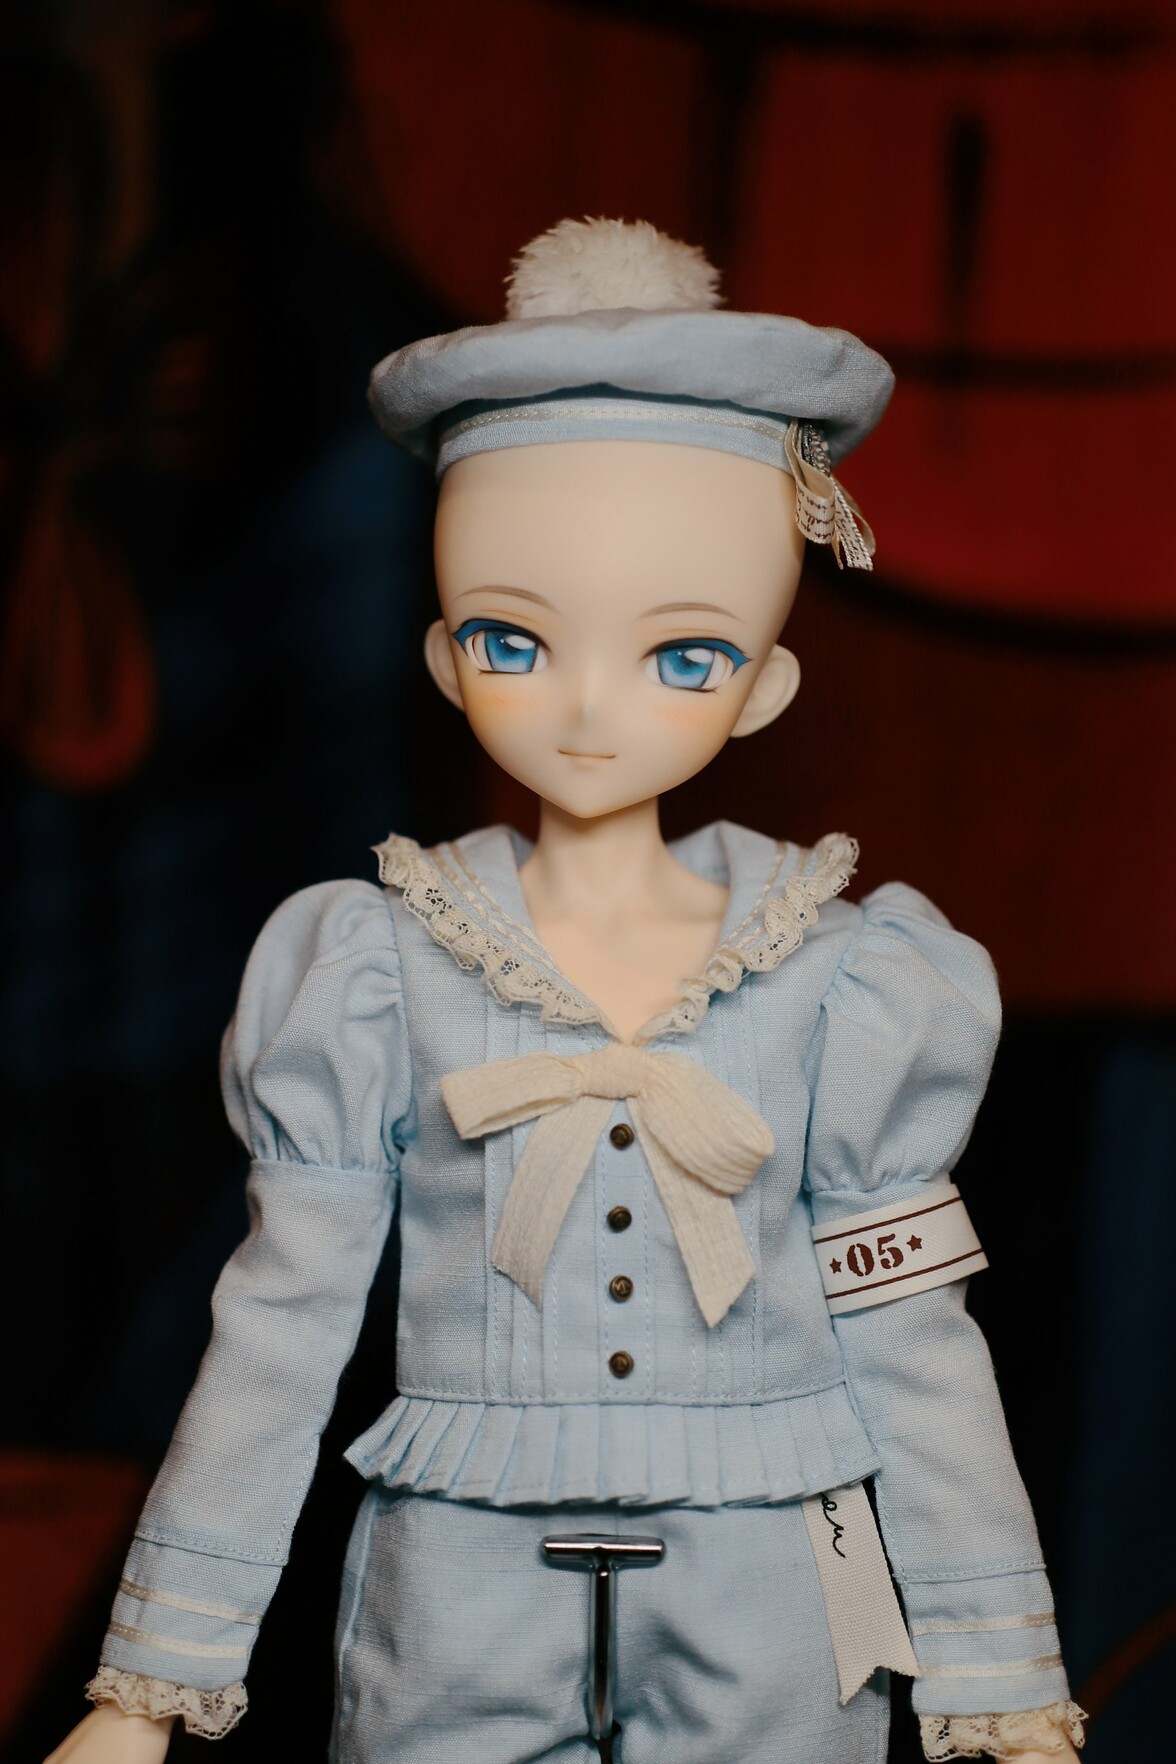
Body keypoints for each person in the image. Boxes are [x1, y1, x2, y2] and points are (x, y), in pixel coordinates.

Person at [48, 219, 1085, 1763]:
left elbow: (913, 1338)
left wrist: (1004, 1680)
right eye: (514, 639)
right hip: (456, 1584)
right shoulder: (373, 970)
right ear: (445, 659)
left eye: (684, 656)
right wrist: (148, 1684)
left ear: (762, 686)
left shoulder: (851, 979)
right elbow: (279, 1330)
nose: (590, 706)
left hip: (771, 1587)